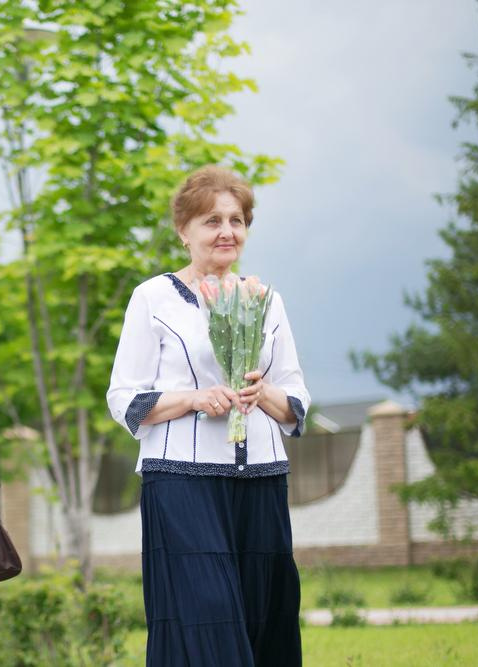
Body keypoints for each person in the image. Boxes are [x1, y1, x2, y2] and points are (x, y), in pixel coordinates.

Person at [107, 166, 310, 666]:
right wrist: (195, 399)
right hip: (181, 481)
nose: (226, 231)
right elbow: (123, 397)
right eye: (212, 220)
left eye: (237, 220)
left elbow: (296, 400)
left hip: (261, 476)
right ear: (184, 231)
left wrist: (261, 394)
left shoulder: (267, 300)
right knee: (206, 611)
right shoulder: (152, 299)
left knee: (266, 614)